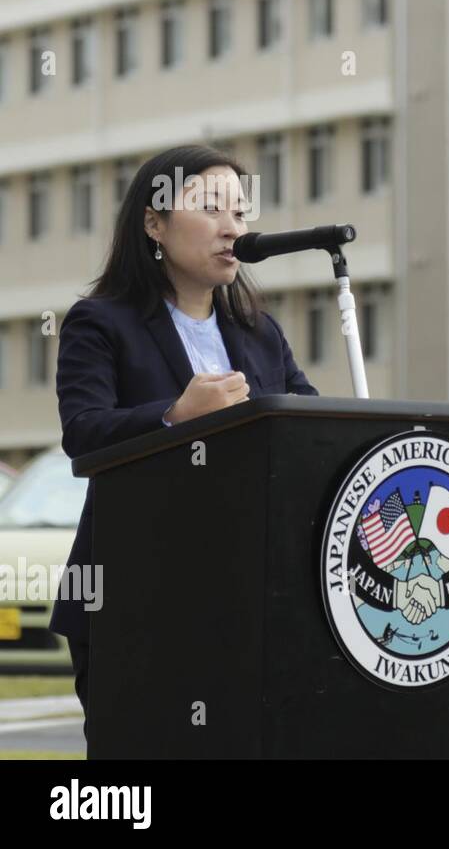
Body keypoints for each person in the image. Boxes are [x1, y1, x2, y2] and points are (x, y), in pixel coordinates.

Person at [51, 145, 318, 740]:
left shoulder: (259, 331)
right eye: (211, 208)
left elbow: (309, 423)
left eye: (241, 213)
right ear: (154, 222)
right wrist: (175, 415)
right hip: (134, 597)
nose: (233, 228)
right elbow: (84, 434)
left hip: (243, 598)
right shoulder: (100, 322)